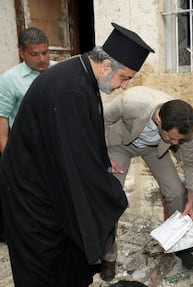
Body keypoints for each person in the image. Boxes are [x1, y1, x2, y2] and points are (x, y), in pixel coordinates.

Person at [0, 22, 154, 287]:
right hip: (31, 196)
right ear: (107, 66)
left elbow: (83, 139)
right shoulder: (69, 89)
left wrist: (103, 165)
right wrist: (111, 194)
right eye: (125, 77)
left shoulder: (82, 74)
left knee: (68, 259)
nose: (124, 86)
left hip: (48, 182)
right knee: (43, 268)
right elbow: (75, 158)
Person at [102, 86, 193, 280]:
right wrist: (101, 154)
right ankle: (108, 257)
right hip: (121, 143)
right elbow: (100, 119)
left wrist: (190, 201)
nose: (176, 143)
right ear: (159, 120)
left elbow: (190, 164)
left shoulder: (183, 131)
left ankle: (177, 245)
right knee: (110, 196)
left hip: (155, 149)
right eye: (172, 137)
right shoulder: (131, 103)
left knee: (176, 192)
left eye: (179, 139)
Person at [0, 27, 55, 242]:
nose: (42, 59)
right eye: (35, 54)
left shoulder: (58, 71)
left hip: (54, 146)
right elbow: (2, 118)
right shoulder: (9, 79)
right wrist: (7, 156)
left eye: (46, 52)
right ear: (22, 53)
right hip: (26, 150)